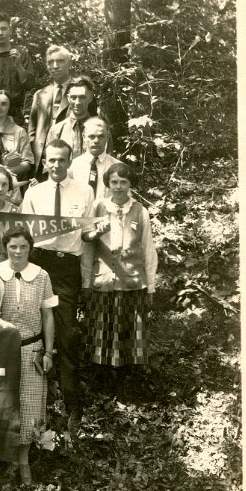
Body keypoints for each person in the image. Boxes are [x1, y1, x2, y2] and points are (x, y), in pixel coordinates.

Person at [20, 139, 94, 438]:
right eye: (50, 160)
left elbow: (87, 241)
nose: (55, 165)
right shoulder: (34, 193)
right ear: (45, 161)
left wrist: (86, 280)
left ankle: (73, 408)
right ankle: (36, 404)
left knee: (66, 334)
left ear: (69, 161)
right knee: (30, 329)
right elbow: (23, 234)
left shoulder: (84, 191)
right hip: (38, 262)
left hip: (66, 268)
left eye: (61, 160)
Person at [82, 163, 157, 398]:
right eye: (114, 182)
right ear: (108, 183)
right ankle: (103, 386)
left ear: (130, 184)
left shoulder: (140, 211)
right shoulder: (98, 206)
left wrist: (151, 285)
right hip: (103, 282)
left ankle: (125, 387)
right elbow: (87, 247)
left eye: (123, 182)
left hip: (132, 283)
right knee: (102, 333)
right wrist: (86, 283)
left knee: (129, 335)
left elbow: (148, 250)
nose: (118, 187)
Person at [0, 226, 57, 485]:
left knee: (31, 407)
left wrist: (49, 351)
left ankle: (23, 460)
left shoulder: (41, 276)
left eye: (23, 247)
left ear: (30, 248)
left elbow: (48, 316)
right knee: (4, 407)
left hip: (32, 349)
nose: (18, 252)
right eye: (13, 247)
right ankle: (7, 460)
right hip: (2, 351)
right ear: (5, 248)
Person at [28, 45, 72, 179]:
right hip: (43, 160)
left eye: (60, 61)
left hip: (68, 158)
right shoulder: (40, 94)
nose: (55, 65)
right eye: (50, 62)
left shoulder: (79, 91)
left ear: (69, 63)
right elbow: (32, 130)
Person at [0, 11, 35, 126]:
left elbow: (30, 85)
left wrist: (18, 65)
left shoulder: (22, 54)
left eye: (4, 29)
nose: (0, 33)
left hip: (15, 113)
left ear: (10, 30)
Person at [46, 75, 100, 160]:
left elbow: (107, 164)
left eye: (82, 97)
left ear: (90, 98)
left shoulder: (100, 129)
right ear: (68, 98)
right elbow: (50, 165)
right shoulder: (56, 130)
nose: (77, 102)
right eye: (73, 97)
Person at [69, 117, 119, 202]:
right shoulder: (73, 167)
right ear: (84, 137)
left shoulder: (117, 167)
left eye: (101, 136)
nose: (96, 141)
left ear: (107, 137)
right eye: (91, 136)